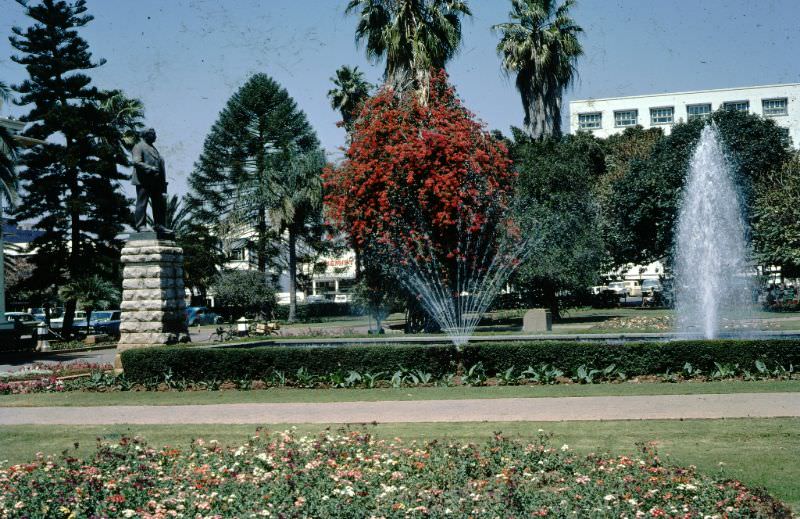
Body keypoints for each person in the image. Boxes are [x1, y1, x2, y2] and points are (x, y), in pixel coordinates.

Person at [131, 128, 173, 237]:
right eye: (153, 134)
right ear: (146, 135)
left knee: (159, 204)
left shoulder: (153, 148)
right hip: (144, 181)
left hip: (156, 182)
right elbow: (136, 162)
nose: (155, 136)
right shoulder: (139, 146)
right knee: (142, 203)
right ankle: (140, 226)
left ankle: (159, 225)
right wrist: (149, 168)